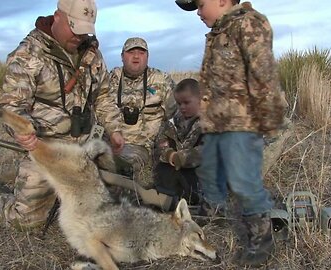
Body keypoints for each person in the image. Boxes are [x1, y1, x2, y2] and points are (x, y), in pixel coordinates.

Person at [0, 0, 125, 229]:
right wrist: (22, 130)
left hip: (85, 145)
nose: (79, 36)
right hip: (46, 148)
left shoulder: (92, 55)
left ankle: (53, 190)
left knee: (111, 196)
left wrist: (115, 129)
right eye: (74, 28)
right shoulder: (29, 53)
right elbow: (12, 106)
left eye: (84, 30)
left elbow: (103, 95)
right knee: (28, 221)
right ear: (57, 17)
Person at [175, 0, 285, 267]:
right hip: (217, 123)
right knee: (210, 171)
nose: (198, 13)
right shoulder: (218, 32)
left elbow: (264, 75)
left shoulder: (248, 24)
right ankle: (212, 212)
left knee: (244, 182)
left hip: (241, 124)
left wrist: (269, 122)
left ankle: (261, 240)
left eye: (200, 5)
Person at [109, 37, 176, 187]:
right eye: (131, 52)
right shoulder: (112, 78)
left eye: (141, 52)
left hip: (144, 148)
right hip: (114, 144)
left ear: (147, 57)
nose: (136, 56)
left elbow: (178, 113)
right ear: (122, 56)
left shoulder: (161, 80)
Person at [153, 78, 202, 205]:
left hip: (199, 176)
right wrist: (169, 154)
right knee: (163, 169)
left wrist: (181, 158)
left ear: (201, 100)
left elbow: (207, 152)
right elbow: (159, 144)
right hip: (174, 172)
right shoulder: (171, 123)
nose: (182, 107)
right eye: (179, 103)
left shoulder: (211, 125)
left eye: (186, 102)